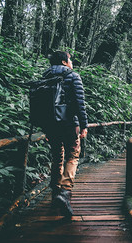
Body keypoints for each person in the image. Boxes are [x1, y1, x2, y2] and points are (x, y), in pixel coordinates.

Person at [43, 51, 88, 219]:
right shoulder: (73, 76)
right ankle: (65, 191)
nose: (71, 62)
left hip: (51, 125)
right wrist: (84, 125)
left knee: (57, 156)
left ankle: (55, 192)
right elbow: (79, 103)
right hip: (69, 124)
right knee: (72, 155)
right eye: (70, 59)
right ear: (64, 61)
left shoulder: (44, 77)